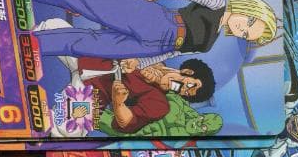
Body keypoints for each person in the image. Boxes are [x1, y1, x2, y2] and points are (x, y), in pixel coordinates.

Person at [26, 0, 277, 61]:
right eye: (249, 21)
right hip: (157, 21)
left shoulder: (209, 44)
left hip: (155, 47)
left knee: (87, 46)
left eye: (246, 34)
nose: (242, 28)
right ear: (248, 8)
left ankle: (33, 45)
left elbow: (173, 54)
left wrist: (142, 63)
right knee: (89, 2)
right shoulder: (219, 3)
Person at [79, 56, 215, 133]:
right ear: (188, 72)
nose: (182, 89)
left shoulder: (159, 104)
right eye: (190, 85)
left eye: (186, 93)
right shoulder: (154, 55)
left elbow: (125, 122)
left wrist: (118, 102)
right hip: (85, 58)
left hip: (87, 93)